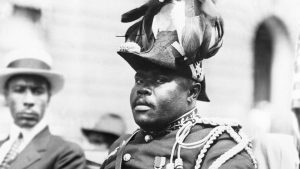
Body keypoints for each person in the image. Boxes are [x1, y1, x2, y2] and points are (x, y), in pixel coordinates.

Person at [100, 0, 257, 169]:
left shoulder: (219, 148)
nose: (142, 89)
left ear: (192, 92)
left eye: (160, 80)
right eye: (139, 80)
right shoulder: (121, 146)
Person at [0, 48, 86, 169]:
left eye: (38, 91)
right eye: (19, 90)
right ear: (6, 95)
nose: (28, 101)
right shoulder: (2, 147)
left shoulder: (66, 153)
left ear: (48, 97)